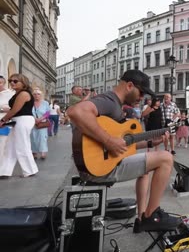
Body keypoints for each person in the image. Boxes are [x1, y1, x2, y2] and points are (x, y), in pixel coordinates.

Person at [67, 69, 181, 231]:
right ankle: (151, 215)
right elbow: (75, 111)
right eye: (141, 93)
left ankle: (141, 218)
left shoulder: (115, 105)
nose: (142, 98)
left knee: (144, 170)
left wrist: (149, 143)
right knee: (166, 158)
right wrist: (108, 140)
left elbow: (123, 144)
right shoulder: (109, 100)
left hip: (99, 165)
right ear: (129, 85)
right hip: (99, 169)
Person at [0, 74, 38, 178]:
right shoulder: (17, 93)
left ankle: (30, 170)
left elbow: (15, 109)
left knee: (22, 145)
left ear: (23, 83)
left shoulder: (24, 94)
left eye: (15, 81)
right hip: (18, 120)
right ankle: (4, 171)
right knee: (10, 146)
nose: (12, 82)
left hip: (23, 119)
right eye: (10, 80)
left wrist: (3, 120)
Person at [31, 90, 50, 160]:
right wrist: (34, 119)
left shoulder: (45, 103)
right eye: (35, 94)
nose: (36, 95)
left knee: (42, 138)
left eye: (38, 94)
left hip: (42, 122)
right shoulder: (30, 103)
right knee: (33, 137)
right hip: (32, 122)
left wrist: (40, 119)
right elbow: (28, 111)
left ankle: (43, 152)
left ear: (41, 95)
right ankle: (34, 152)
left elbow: (48, 113)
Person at [0, 76, 15, 161]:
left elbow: (14, 108)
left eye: (0, 83)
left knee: (3, 144)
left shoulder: (10, 94)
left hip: (4, 122)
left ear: (4, 83)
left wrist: (3, 109)